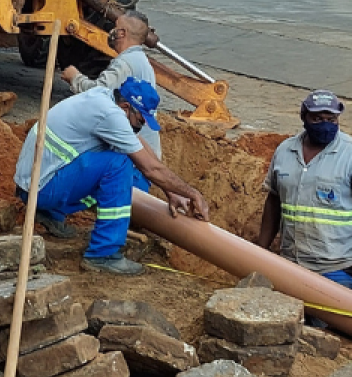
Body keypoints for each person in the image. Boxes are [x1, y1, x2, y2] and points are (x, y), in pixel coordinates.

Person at [14, 77, 209, 275]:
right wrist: (192, 193)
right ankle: (103, 253)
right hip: (43, 188)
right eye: (141, 120)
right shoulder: (109, 114)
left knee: (126, 170)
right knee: (119, 164)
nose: (140, 126)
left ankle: (50, 213)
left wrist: (171, 191)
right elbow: (151, 168)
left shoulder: (105, 100)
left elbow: (137, 142)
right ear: (126, 107)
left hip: (36, 183)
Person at [256, 90, 352, 293]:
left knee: (334, 323)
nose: (325, 124)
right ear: (304, 117)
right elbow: (273, 202)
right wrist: (260, 251)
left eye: (331, 119)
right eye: (317, 118)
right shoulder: (285, 151)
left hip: (337, 268)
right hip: (291, 263)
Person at [60, 11, 160, 159]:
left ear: (121, 33)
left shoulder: (125, 64)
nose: (111, 31)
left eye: (115, 27)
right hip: (143, 150)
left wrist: (75, 78)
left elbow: (97, 94)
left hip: (135, 155)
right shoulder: (140, 60)